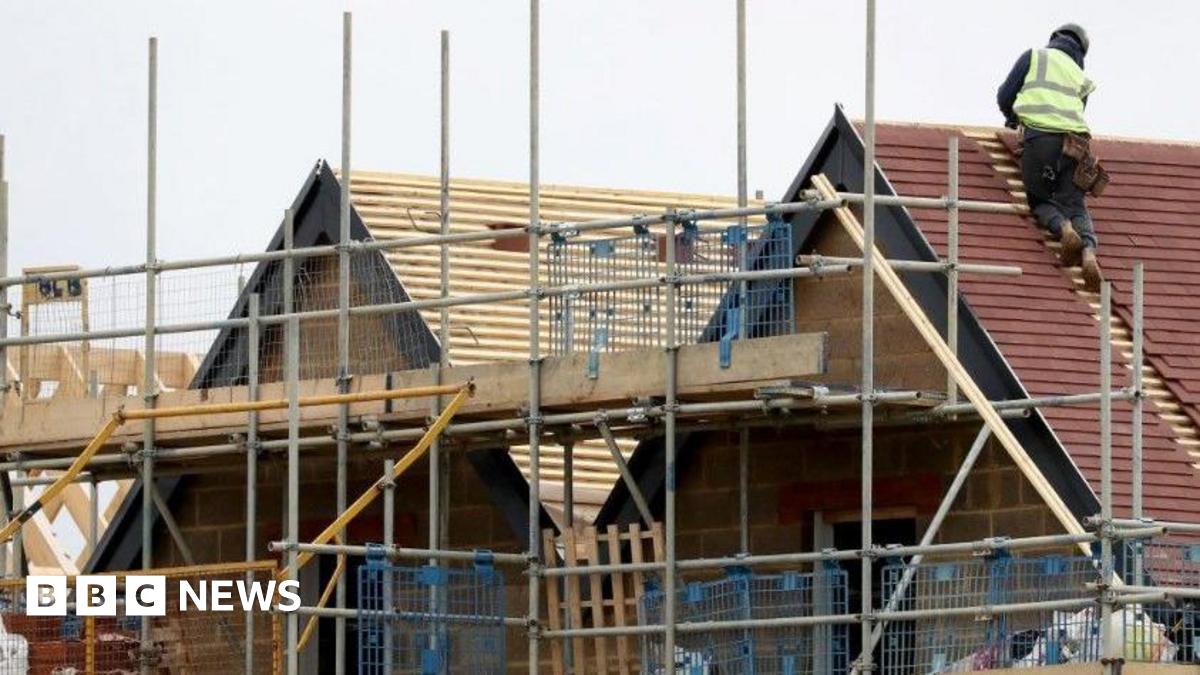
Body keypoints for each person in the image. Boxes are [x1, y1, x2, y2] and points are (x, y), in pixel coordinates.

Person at [997, 23, 1103, 291]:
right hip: (1077, 144)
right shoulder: (1080, 75)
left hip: (1041, 138)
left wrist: (1012, 118)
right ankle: (1089, 250)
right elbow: (1077, 111)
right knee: (1075, 203)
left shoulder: (1034, 57)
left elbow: (1005, 96)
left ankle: (1063, 228)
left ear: (1055, 38)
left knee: (1040, 199)